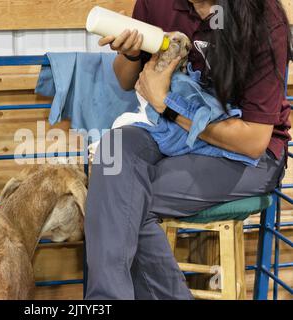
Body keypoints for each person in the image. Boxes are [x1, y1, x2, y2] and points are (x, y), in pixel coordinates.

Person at [85, 0, 292, 300]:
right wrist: (130, 53)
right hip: (173, 132)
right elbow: (125, 79)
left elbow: (253, 141)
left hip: (248, 153)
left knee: (123, 199)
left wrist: (167, 105)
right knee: (113, 153)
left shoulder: (263, 17)